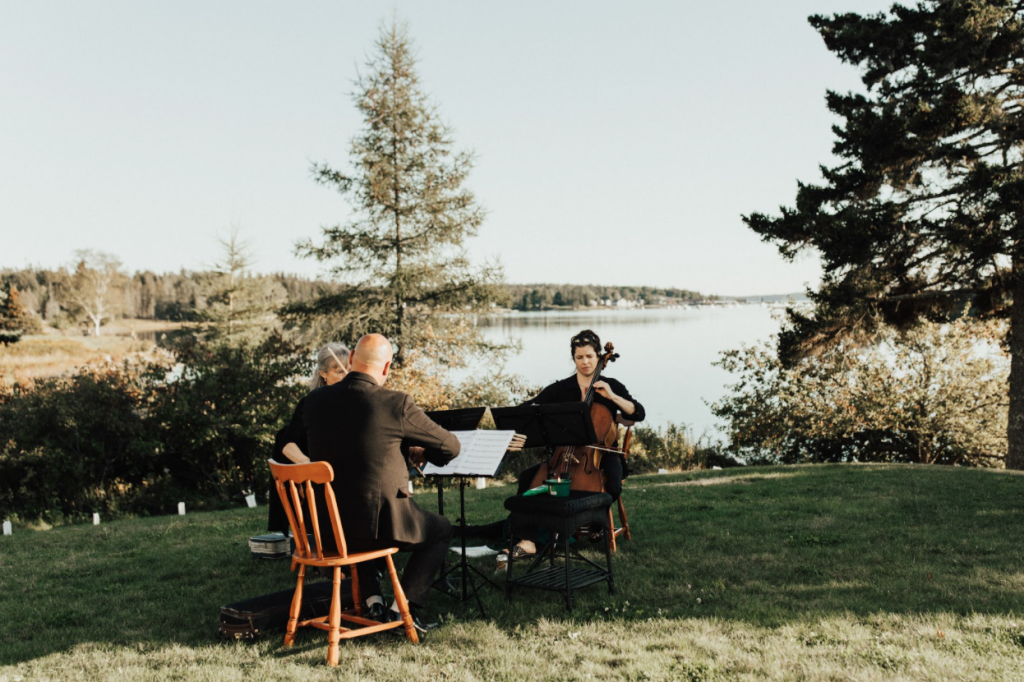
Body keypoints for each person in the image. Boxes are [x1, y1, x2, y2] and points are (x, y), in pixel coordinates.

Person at [303, 333, 459, 633]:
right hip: (380, 527)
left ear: (350, 358)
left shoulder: (313, 402)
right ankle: (403, 611)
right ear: (386, 368)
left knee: (352, 508)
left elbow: (355, 447)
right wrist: (421, 451)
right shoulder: (395, 402)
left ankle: (373, 599)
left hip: (328, 530)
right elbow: (451, 446)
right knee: (440, 529)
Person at [499, 329, 645, 565]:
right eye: (580, 357)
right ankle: (527, 540)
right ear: (574, 359)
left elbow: (638, 412)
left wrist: (612, 396)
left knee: (613, 483)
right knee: (529, 477)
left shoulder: (611, 385)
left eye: (589, 356)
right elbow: (530, 408)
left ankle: (593, 522)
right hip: (564, 454)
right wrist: (510, 419)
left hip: (600, 456)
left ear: (599, 356)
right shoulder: (561, 389)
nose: (585, 362)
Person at [267, 343, 349, 534]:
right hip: (322, 480)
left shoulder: (354, 402)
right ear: (323, 374)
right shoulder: (310, 404)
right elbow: (286, 445)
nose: (346, 378)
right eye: (339, 372)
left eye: (349, 371)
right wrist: (313, 468)